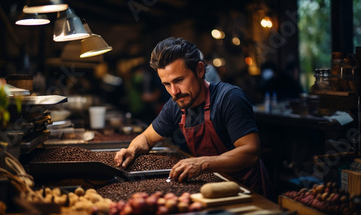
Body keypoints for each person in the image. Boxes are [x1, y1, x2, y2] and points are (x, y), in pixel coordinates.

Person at [114, 37, 274, 200]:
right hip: (211, 188)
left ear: (199, 70)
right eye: (167, 84)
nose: (174, 91)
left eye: (179, 80)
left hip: (248, 191)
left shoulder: (229, 98)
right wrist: (131, 150)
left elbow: (251, 152)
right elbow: (147, 138)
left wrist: (201, 163)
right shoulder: (175, 105)